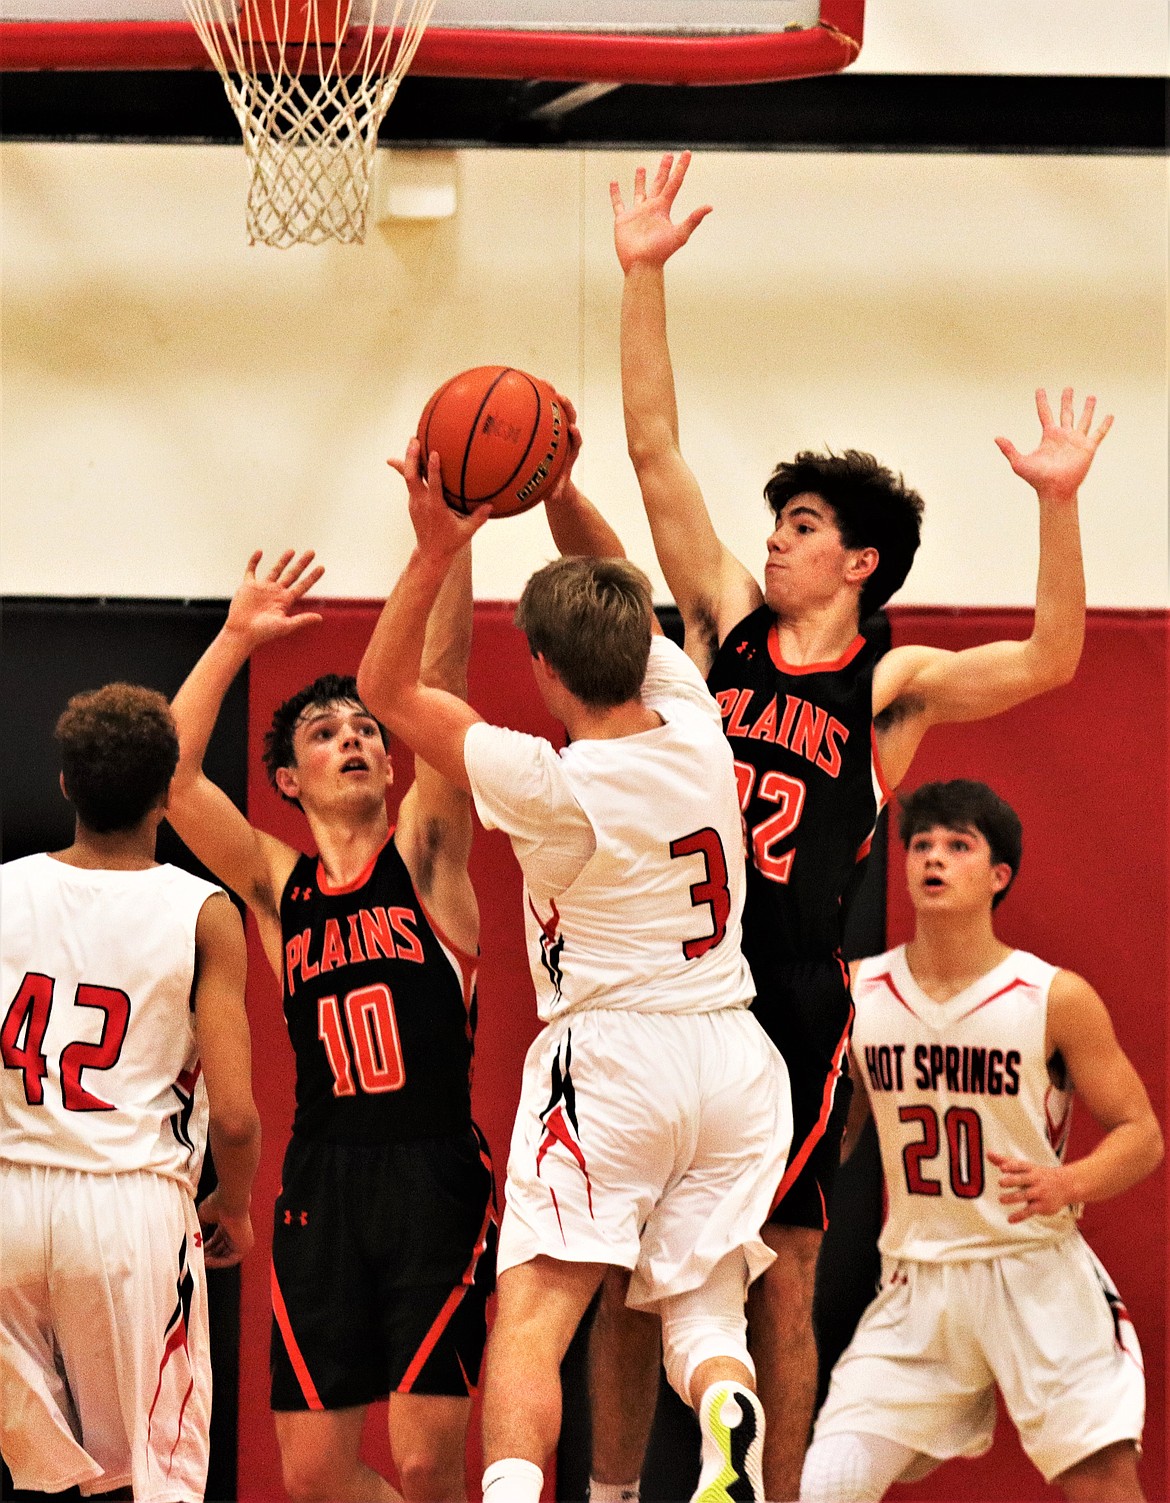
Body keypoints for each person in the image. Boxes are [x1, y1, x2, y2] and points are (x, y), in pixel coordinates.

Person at [593, 150, 1117, 1502]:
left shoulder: (886, 685)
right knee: (622, 1247)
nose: (775, 539)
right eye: (776, 518)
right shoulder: (716, 621)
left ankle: (765, 1484)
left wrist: (1057, 504)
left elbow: (1053, 658)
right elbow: (651, 448)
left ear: (859, 560)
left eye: (803, 524)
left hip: (787, 984)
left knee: (784, 1254)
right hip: (669, 967)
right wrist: (640, 274)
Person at [354, 440, 794, 1503]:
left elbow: (384, 686)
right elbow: (629, 606)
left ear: (544, 669)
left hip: (611, 1059)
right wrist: (559, 488)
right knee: (700, 1311)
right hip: (734, 1057)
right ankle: (729, 1416)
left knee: (535, 1316)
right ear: (641, 646)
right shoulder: (698, 722)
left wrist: (435, 548)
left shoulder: (551, 783)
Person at [165, 545, 496, 1503]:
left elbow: (441, 680)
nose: (354, 738)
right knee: (313, 1476)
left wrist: (449, 541)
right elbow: (178, 778)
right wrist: (233, 637)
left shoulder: (427, 853)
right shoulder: (279, 887)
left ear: (394, 758)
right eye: (324, 732)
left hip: (433, 1168)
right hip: (322, 1178)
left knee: (430, 1463)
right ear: (286, 779)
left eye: (366, 728)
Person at [800, 778, 1161, 1502]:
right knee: (826, 1485)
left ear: (999, 874)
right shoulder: (865, 991)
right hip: (916, 1283)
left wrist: (1069, 1182)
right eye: (921, 844)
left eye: (958, 845)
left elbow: (1142, 1134)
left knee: (1105, 1487)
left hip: (1036, 1272)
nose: (934, 858)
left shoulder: (1052, 995)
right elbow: (839, 1137)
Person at [0, 682, 261, 1501]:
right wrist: (237, 1204)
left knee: (51, 1476)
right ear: (166, 793)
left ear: (67, 783)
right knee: (153, 1475)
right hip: (128, 1205)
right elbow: (240, 1115)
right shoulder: (203, 910)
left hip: (9, 1195)